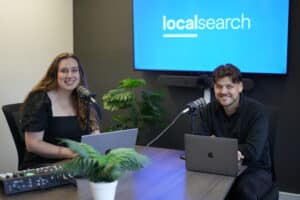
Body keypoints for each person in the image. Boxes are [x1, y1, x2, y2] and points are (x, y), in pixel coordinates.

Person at [198, 64, 272, 200]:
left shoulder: (257, 112)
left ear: (240, 87)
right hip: (217, 168)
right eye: (219, 86)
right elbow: (200, 144)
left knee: (242, 191)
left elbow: (253, 151)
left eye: (229, 86)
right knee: (195, 185)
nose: (223, 91)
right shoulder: (207, 111)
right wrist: (232, 150)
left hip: (253, 170)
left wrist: (217, 145)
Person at [20, 52, 100, 169]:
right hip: (44, 166)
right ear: (54, 75)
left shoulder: (82, 97)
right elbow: (33, 144)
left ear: (80, 74)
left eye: (74, 70)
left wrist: (96, 143)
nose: (70, 75)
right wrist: (70, 153)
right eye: (64, 71)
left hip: (76, 164)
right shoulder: (39, 99)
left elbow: (94, 129)